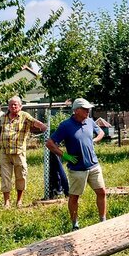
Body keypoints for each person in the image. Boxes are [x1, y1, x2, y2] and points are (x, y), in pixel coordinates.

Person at [46, 97, 107, 231]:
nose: (88, 111)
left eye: (88, 109)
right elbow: (49, 143)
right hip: (77, 169)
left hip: (94, 165)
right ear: (76, 110)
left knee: (102, 192)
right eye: (85, 109)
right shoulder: (66, 126)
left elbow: (101, 132)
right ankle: (75, 224)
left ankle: (103, 221)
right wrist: (65, 155)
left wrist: (95, 140)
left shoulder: (90, 122)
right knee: (74, 197)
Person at [0, 96, 48, 208]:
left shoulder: (24, 116)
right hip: (4, 152)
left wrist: (44, 127)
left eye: (15, 104)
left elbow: (36, 123)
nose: (13, 106)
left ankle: (19, 200)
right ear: (8, 106)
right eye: (11, 104)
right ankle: (6, 202)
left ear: (20, 106)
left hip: (19, 152)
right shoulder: (3, 117)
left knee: (21, 176)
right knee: (5, 176)